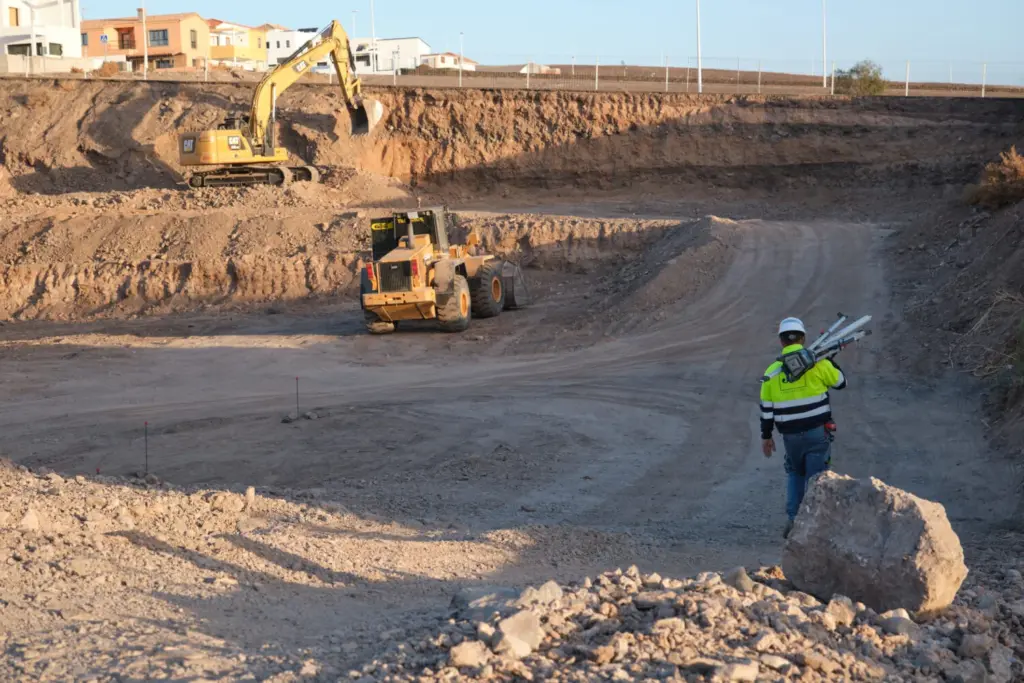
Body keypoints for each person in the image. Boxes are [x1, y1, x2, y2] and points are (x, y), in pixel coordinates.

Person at [760, 317, 847, 538]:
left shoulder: (772, 372)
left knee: (795, 473)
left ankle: (793, 519)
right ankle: (816, 525)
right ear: (803, 338)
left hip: (790, 437)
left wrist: (766, 436)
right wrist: (830, 359)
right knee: (818, 478)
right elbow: (840, 382)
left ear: (781, 341)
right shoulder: (819, 363)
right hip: (817, 432)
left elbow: (767, 409)